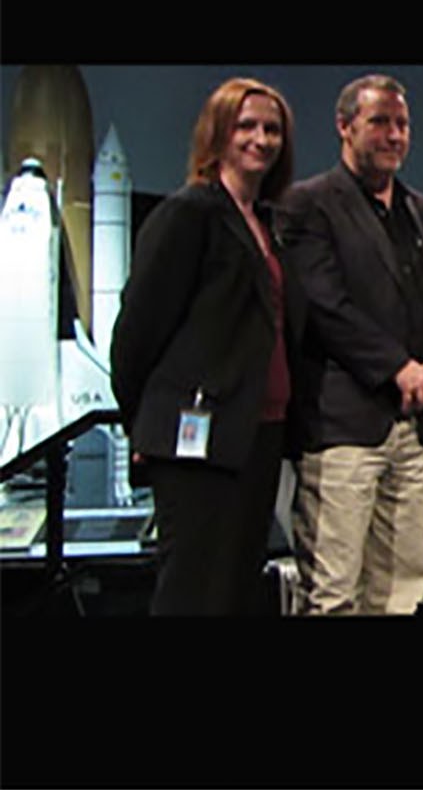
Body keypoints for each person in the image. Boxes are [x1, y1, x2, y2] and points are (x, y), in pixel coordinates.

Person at [110, 77, 306, 615]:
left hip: (258, 433)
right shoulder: (190, 213)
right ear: (218, 133)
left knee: (237, 587)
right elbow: (136, 334)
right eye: (247, 126)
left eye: (272, 130)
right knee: (194, 591)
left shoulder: (267, 223)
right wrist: (146, 424)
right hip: (196, 440)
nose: (261, 139)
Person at [277, 74, 423, 615]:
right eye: (379, 121)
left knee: (404, 587)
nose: (393, 135)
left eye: (402, 124)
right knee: (335, 588)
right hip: (344, 427)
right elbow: (323, 304)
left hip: (419, 429)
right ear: (344, 127)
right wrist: (399, 369)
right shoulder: (307, 206)